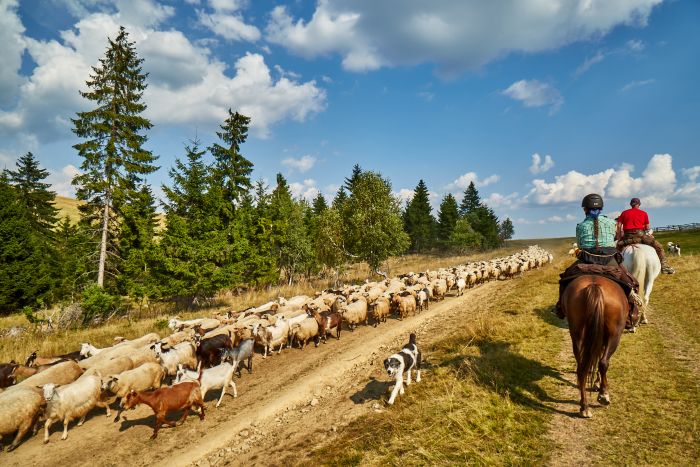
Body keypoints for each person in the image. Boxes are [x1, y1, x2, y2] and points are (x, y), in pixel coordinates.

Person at [555, 194, 639, 329]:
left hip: (587, 258)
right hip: (609, 259)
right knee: (631, 282)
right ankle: (631, 316)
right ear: (601, 208)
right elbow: (616, 238)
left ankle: (560, 308)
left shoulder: (580, 226)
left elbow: (580, 245)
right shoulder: (612, 223)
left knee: (565, 278)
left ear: (585, 209)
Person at [616, 198, 675, 274]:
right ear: (639, 205)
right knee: (659, 247)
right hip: (640, 237)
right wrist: (649, 235)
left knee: (617, 249)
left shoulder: (624, 213)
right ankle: (664, 267)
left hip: (627, 237)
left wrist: (619, 237)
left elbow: (619, 225)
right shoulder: (644, 213)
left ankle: (616, 268)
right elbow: (647, 228)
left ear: (631, 204)